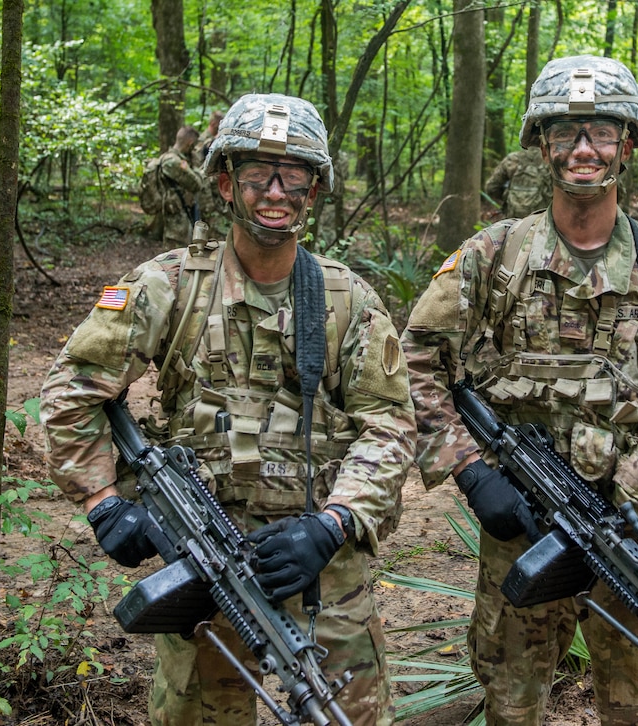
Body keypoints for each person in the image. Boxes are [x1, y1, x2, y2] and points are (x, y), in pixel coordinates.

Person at [40, 92, 416, 726]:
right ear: (224, 183)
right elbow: (72, 389)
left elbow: (391, 425)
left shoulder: (346, 298)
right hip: (203, 561)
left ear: (315, 189)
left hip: (321, 570)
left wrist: (334, 523)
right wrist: (102, 501)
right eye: (256, 174)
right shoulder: (169, 285)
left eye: (293, 174)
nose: (275, 190)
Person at [401, 55, 638, 726]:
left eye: (602, 133)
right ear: (541, 145)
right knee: (512, 705)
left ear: (630, 145)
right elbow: (412, 362)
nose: (584, 150)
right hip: (523, 529)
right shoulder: (491, 257)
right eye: (565, 133)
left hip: (636, 535)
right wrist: (470, 473)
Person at [155, 124, 206, 246]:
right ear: (189, 142)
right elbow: (197, 184)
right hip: (177, 223)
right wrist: (197, 170)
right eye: (193, 145)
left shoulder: (173, 159)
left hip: (180, 218)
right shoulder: (173, 162)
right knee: (174, 260)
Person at [483, 145, 553, 219]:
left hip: (513, 219)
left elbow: (491, 187)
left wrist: (506, 197)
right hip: (543, 219)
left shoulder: (512, 159)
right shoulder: (553, 161)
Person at [193, 110, 229, 233]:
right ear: (213, 123)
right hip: (204, 185)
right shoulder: (203, 139)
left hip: (213, 185)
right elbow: (198, 162)